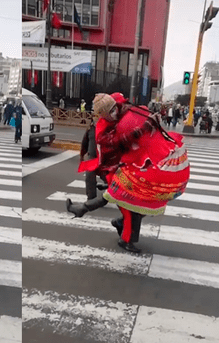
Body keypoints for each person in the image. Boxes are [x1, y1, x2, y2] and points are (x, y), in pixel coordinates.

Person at [66, 93, 190, 253]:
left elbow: (129, 108)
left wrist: (152, 118)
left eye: (113, 109)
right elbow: (121, 141)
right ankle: (125, 240)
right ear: (102, 115)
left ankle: (100, 216)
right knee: (129, 209)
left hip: (131, 169)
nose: (113, 113)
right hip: (116, 171)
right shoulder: (102, 132)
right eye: (109, 112)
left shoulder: (122, 110)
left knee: (139, 205)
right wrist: (143, 128)